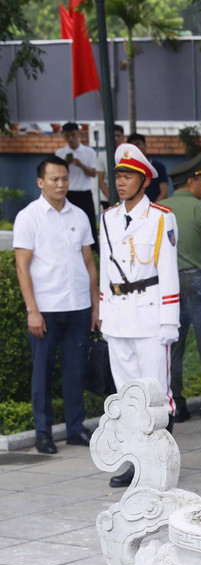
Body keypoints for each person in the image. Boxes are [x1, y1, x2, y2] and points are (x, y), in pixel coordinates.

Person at [99, 143, 180, 487]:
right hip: (118, 316)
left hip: (149, 316)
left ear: (145, 181)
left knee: (155, 393)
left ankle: (160, 461)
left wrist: (169, 320)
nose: (121, 182)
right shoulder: (108, 218)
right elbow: (106, 271)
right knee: (126, 395)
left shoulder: (161, 217)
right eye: (118, 175)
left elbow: (168, 271)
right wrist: (103, 313)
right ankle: (135, 462)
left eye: (129, 176)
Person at [13, 155, 98, 454]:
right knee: (43, 373)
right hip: (46, 308)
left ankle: (75, 429)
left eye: (64, 178)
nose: (61, 184)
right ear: (40, 182)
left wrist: (95, 306)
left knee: (75, 370)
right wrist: (32, 310)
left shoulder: (79, 215)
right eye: (54, 179)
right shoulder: (29, 216)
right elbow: (22, 267)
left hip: (78, 307)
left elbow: (89, 262)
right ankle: (43, 433)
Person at [159, 155, 201, 423]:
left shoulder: (160, 210)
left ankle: (177, 405)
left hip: (169, 284)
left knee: (173, 345)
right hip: (200, 281)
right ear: (190, 181)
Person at [55, 122, 98, 252]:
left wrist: (81, 165)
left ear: (78, 134)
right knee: (66, 224)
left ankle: (93, 252)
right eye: (67, 135)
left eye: (73, 135)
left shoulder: (89, 152)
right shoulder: (60, 153)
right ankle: (67, 250)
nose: (70, 138)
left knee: (89, 224)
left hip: (84, 193)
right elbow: (56, 174)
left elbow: (93, 173)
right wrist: (65, 164)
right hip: (68, 194)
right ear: (63, 136)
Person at [127, 133, 169, 202]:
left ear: (145, 145)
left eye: (138, 144)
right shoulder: (127, 168)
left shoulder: (158, 167)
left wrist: (152, 207)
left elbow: (164, 193)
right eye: (133, 146)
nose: (136, 148)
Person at [97, 124, 125, 208]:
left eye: (118, 136)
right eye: (113, 136)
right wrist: (110, 197)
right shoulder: (102, 156)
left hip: (125, 199)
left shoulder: (127, 155)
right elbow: (101, 180)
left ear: (123, 138)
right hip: (107, 199)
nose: (116, 138)